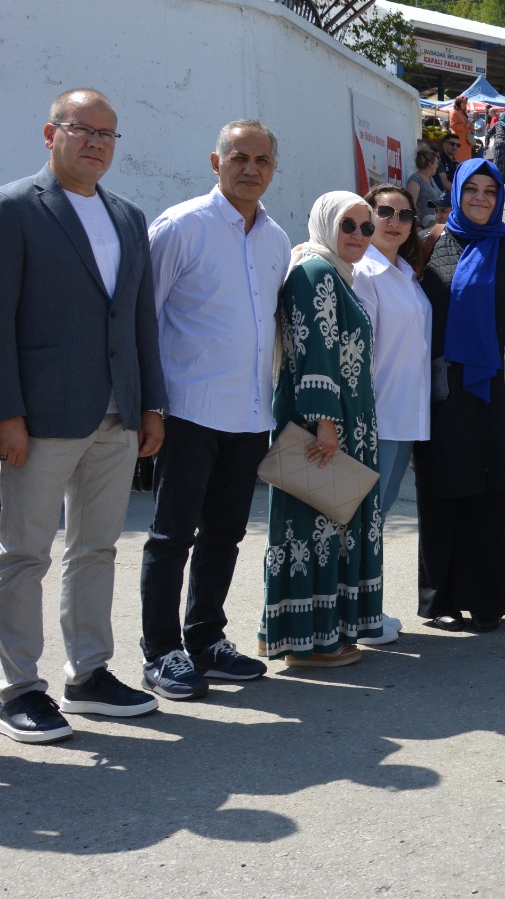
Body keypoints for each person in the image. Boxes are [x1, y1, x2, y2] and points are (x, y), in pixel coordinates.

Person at [0, 89, 166, 743]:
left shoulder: (128, 216)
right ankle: (20, 686)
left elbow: (139, 321)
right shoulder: (15, 209)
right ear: (51, 133)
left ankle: (89, 674)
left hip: (118, 414)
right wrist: (6, 412)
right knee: (24, 554)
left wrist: (151, 403)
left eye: (108, 134)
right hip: (39, 418)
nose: (96, 142)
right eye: (83, 130)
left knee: (96, 548)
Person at [138, 119, 290, 701]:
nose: (250, 168)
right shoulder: (182, 227)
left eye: (262, 160)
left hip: (250, 414)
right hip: (187, 410)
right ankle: (161, 652)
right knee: (171, 535)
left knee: (224, 534)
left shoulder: (275, 238)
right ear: (215, 161)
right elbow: (141, 320)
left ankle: (205, 640)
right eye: (239, 157)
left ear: (274, 169)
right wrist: (151, 406)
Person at [415, 159, 505, 633]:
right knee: (442, 492)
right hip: (442, 392)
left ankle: (486, 600)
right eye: (470, 189)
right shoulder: (431, 246)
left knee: (491, 493)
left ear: (500, 197)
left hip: (503, 390)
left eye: (489, 190)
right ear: (454, 192)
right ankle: (442, 599)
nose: (479, 197)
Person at [259, 192, 383, 668]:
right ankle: (308, 645)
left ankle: (325, 635)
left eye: (366, 227)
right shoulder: (314, 273)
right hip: (325, 431)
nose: (358, 235)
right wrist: (325, 426)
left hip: (347, 427)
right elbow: (315, 353)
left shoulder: (338, 275)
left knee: (334, 529)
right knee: (313, 531)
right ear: (324, 224)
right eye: (347, 225)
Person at [351, 183, 432, 647]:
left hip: (405, 415)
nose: (395, 221)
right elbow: (360, 353)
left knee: (374, 518)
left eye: (405, 214)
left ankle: (366, 606)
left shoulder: (402, 270)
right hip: (379, 414)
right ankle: (361, 612)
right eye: (385, 212)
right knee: (365, 518)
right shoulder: (366, 271)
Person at [408, 145, 445, 217]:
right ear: (430, 164)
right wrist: (418, 224)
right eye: (436, 164)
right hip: (423, 225)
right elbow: (411, 204)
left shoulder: (431, 179)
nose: (437, 167)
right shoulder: (415, 179)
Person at [449, 97, 473, 164]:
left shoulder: (463, 113)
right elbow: (453, 126)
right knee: (459, 160)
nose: (464, 104)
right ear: (458, 103)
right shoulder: (454, 112)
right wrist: (465, 125)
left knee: (466, 160)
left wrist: (471, 126)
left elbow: (466, 125)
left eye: (465, 102)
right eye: (463, 102)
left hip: (466, 141)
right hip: (459, 141)